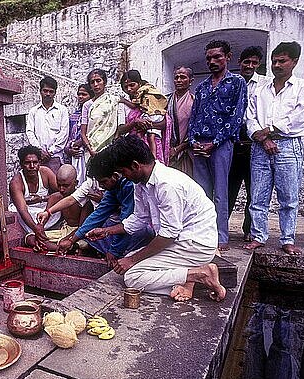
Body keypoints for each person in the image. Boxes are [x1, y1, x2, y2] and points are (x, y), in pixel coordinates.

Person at [86, 135, 226, 302]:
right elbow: (139, 218)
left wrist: (131, 260)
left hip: (195, 244)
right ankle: (186, 279)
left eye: (123, 171)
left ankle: (199, 274)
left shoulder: (167, 185)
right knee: (132, 259)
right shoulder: (141, 184)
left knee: (132, 277)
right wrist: (107, 231)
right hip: (181, 240)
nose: (123, 177)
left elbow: (168, 235)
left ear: (135, 166)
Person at [244, 41, 304, 255]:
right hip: (260, 147)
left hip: (288, 146)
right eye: (274, 61)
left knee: (288, 197)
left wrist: (269, 131)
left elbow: (299, 118)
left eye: (282, 61)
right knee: (258, 195)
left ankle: (287, 239)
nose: (277, 65)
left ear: (294, 62)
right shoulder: (261, 88)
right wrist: (261, 137)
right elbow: (250, 117)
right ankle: (258, 236)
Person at [39, 147, 153, 263]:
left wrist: (114, 252)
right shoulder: (113, 188)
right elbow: (97, 215)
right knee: (92, 233)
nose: (101, 186)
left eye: (103, 182)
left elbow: (127, 224)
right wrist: (72, 240)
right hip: (118, 227)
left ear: (115, 176)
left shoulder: (129, 186)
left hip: (141, 232)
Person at [188, 40, 247, 252]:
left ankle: (221, 236)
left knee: (221, 193)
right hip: (199, 147)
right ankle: (204, 235)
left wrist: (214, 143)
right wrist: (193, 141)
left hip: (220, 145)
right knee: (201, 195)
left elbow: (236, 117)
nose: (212, 61)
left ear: (228, 57)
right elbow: (193, 117)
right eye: (209, 58)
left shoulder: (237, 83)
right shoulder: (202, 87)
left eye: (217, 57)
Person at [228, 46, 267, 242]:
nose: (249, 66)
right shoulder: (232, 83)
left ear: (258, 64)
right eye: (246, 62)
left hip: (254, 141)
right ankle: (219, 228)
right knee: (228, 187)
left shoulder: (264, 85)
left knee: (255, 189)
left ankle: (249, 229)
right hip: (233, 142)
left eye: (254, 63)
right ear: (239, 63)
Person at [26, 164, 89, 252]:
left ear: (76, 183)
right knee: (30, 238)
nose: (61, 189)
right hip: (63, 231)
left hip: (78, 234)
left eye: (65, 186)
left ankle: (59, 247)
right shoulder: (55, 197)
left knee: (85, 243)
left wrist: (68, 240)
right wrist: (39, 232)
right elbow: (44, 220)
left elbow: (83, 228)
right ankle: (62, 249)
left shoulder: (84, 200)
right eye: (59, 185)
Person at [118, 69, 171, 164]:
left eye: (132, 85)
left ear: (139, 83)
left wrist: (147, 125)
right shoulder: (122, 105)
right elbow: (121, 130)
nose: (129, 89)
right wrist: (135, 122)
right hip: (133, 146)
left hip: (153, 140)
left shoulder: (150, 98)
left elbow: (164, 123)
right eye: (125, 87)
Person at [9, 145, 60, 242]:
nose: (32, 166)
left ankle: (41, 232)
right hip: (28, 214)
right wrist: (35, 227)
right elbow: (23, 210)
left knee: (60, 203)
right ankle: (35, 233)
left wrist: (42, 198)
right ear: (21, 164)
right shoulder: (16, 182)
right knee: (16, 211)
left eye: (35, 162)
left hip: (45, 210)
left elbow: (62, 192)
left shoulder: (45, 172)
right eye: (27, 163)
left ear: (39, 163)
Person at [26, 76, 70, 173]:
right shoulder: (33, 111)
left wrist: (50, 152)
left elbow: (64, 133)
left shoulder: (62, 110)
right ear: (40, 91)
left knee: (55, 186)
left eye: (51, 91)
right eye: (45, 91)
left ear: (55, 92)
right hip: (37, 158)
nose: (48, 94)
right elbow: (30, 132)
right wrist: (39, 151)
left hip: (55, 157)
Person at [80, 69, 120, 159]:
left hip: (109, 148)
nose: (96, 84)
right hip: (91, 150)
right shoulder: (87, 105)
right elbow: (83, 132)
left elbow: (118, 126)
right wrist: (90, 150)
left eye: (98, 81)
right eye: (92, 82)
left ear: (104, 82)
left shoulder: (114, 100)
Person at [167, 66, 195, 177]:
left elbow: (195, 131)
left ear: (190, 81)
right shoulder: (166, 100)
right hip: (168, 152)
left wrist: (178, 149)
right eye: (176, 77)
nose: (178, 80)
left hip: (187, 152)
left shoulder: (195, 102)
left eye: (183, 77)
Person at [65, 83, 95, 185]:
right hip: (75, 156)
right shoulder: (73, 116)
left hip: (89, 151)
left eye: (84, 94)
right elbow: (68, 137)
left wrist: (81, 142)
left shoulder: (95, 114)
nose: (80, 97)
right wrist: (70, 149)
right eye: (79, 94)